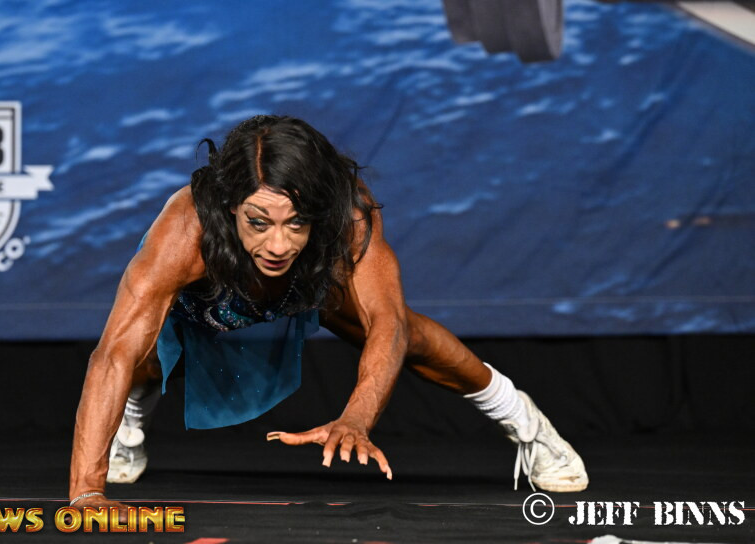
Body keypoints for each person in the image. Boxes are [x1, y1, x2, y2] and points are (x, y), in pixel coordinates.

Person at [68, 115, 587, 513]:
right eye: (259, 222)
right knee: (147, 353)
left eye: (296, 223)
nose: (278, 244)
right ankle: (130, 419)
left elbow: (389, 324)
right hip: (207, 299)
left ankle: (523, 418)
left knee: (411, 336)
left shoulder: (348, 215)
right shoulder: (185, 231)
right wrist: (87, 495)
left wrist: (357, 418)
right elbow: (111, 355)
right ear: (230, 206)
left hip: (305, 287)